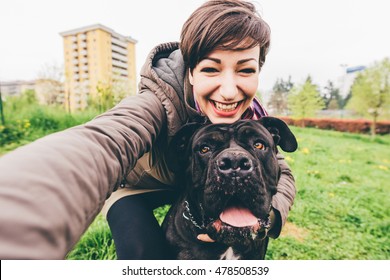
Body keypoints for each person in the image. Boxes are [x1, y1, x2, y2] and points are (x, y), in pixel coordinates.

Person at [0, 0, 295, 259]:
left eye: (245, 69)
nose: (229, 91)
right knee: (145, 259)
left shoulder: (254, 116)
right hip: (141, 188)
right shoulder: (157, 103)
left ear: (258, 70)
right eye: (211, 69)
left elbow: (280, 170)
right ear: (191, 72)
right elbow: (104, 142)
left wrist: (271, 213)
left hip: (194, 183)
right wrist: (21, 212)